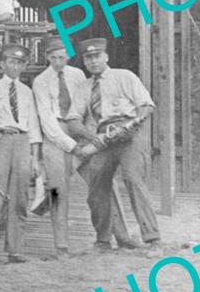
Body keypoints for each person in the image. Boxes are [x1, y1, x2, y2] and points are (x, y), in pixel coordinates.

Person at [32, 37, 137, 255]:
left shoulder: (78, 75)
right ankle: (61, 246)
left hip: (80, 131)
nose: (59, 62)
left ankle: (122, 236)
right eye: (53, 58)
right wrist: (71, 146)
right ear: (47, 58)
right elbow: (47, 120)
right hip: (56, 136)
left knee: (105, 183)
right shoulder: (40, 81)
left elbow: (86, 108)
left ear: (68, 56)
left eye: (62, 57)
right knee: (57, 191)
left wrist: (90, 138)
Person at [78, 38, 161, 247]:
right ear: (84, 62)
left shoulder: (124, 76)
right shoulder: (85, 87)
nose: (93, 61)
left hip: (128, 134)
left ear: (106, 57)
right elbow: (72, 119)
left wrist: (132, 124)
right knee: (96, 186)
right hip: (103, 137)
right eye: (88, 58)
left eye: (97, 56)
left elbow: (147, 106)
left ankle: (152, 238)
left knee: (133, 179)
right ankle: (103, 240)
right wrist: (91, 138)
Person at [0, 44, 41, 265]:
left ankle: (15, 249)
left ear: (24, 66)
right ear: (3, 64)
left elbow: (33, 125)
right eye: (11, 62)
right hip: (0, 141)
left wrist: (34, 157)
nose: (15, 66)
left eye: (20, 62)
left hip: (22, 143)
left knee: (20, 198)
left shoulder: (27, 92)